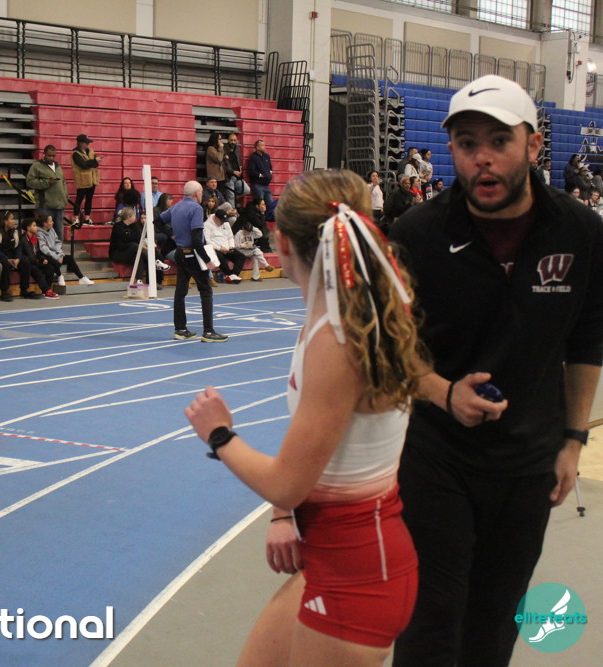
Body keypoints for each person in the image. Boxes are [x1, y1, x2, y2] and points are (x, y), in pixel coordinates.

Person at [388, 74, 603, 666]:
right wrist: (444, 392)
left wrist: (572, 439)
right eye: (466, 143)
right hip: (436, 457)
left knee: (495, 621)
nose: (482, 157)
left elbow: (587, 339)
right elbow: (390, 346)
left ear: (533, 145)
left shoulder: (581, 232)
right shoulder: (417, 234)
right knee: (430, 623)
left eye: (499, 141)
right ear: (451, 150)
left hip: (529, 461)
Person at [184, 168, 425, 665]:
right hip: (338, 555)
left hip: (358, 573)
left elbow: (288, 484)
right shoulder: (347, 315)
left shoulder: (337, 339)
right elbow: (316, 441)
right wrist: (283, 515)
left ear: (282, 242)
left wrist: (220, 433)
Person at [160, 180, 225, 342]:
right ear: (197, 193)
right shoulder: (196, 208)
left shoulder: (176, 206)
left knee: (180, 293)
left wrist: (172, 234)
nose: (202, 195)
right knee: (206, 291)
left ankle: (180, 329)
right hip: (192, 254)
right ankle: (208, 331)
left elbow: (157, 221)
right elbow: (197, 239)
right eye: (201, 192)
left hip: (180, 253)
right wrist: (207, 260)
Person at [37, 214, 94, 286]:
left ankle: (81, 278)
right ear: (45, 223)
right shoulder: (39, 233)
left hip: (56, 254)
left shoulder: (52, 230)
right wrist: (56, 257)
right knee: (54, 262)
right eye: (50, 221)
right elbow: (44, 248)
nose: (53, 222)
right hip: (47, 256)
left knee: (69, 258)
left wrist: (60, 254)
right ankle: (59, 276)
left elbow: (58, 242)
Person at [26, 145, 68, 228]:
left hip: (59, 206)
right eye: (49, 155)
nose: (51, 158)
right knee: (45, 232)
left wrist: (65, 197)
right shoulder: (37, 166)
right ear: (44, 154)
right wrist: (47, 182)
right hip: (45, 206)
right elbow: (29, 182)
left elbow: (63, 182)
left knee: (59, 233)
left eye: (53, 156)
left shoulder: (58, 166)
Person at [204, 202, 245, 283]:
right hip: (215, 248)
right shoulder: (207, 225)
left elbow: (230, 236)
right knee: (220, 257)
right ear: (215, 218)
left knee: (241, 257)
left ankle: (233, 275)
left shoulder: (225, 223)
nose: (223, 222)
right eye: (221, 220)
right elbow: (207, 241)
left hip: (227, 247)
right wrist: (220, 248)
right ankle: (230, 275)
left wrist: (231, 246)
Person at [18, 218, 59, 298]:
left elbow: (37, 252)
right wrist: (38, 262)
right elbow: (29, 254)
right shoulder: (23, 239)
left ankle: (47, 290)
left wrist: (42, 259)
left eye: (36, 225)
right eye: (34, 226)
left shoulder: (35, 238)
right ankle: (46, 290)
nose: (36, 227)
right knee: (37, 271)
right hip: (28, 263)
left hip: (36, 261)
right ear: (28, 228)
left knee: (50, 268)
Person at [71, 134, 99, 224]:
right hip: (82, 180)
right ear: (80, 143)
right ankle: (76, 217)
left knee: (89, 198)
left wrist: (90, 162)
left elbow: (96, 164)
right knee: (79, 198)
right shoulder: (75, 153)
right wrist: (93, 162)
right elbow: (83, 165)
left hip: (92, 179)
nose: (88, 144)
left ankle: (87, 217)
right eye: (86, 143)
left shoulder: (91, 151)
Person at [223, 133, 249, 207]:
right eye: (231, 140)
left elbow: (239, 160)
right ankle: (233, 212)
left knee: (246, 190)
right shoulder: (223, 149)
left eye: (234, 140)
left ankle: (227, 200)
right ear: (228, 140)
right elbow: (222, 165)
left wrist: (240, 168)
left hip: (237, 176)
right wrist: (233, 171)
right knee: (231, 197)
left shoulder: (237, 149)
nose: (233, 142)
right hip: (228, 177)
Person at [247, 139, 274, 205]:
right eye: (262, 145)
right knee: (260, 204)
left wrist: (270, 173)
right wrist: (260, 175)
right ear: (257, 147)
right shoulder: (254, 157)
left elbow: (270, 167)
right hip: (258, 185)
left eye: (264, 145)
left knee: (270, 203)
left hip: (266, 185)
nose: (264, 147)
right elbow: (251, 170)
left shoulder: (267, 156)